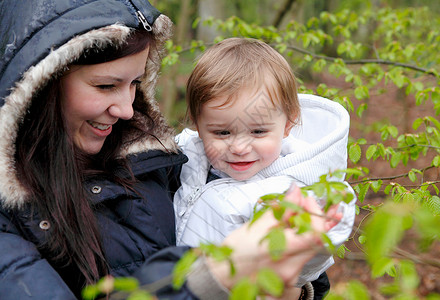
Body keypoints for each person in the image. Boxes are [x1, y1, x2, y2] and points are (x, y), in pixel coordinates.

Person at [0, 1, 343, 300]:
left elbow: (301, 274)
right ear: (39, 83)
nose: (127, 110)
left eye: (135, 83)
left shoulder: (152, 157)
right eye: (106, 85)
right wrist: (212, 278)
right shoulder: (10, 219)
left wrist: (295, 291)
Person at [174, 38, 356, 299]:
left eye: (258, 131)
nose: (239, 147)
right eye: (222, 132)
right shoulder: (183, 161)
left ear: (289, 123)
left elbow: (310, 263)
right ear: (197, 125)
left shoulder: (293, 191)